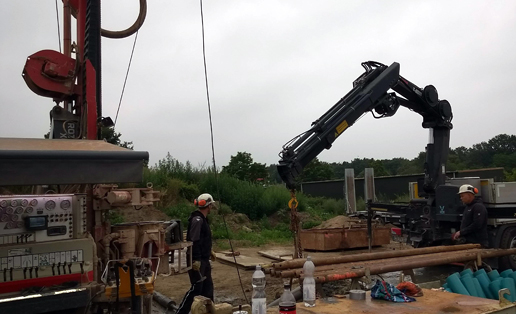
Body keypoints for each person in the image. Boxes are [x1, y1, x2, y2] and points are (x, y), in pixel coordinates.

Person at [176, 193, 217, 314]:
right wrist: (196, 259)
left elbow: (203, 239)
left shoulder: (202, 220)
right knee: (196, 288)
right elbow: (194, 241)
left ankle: (208, 311)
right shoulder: (197, 220)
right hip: (197, 261)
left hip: (204, 260)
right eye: (211, 205)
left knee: (208, 289)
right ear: (209, 206)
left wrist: (208, 251)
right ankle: (181, 312)